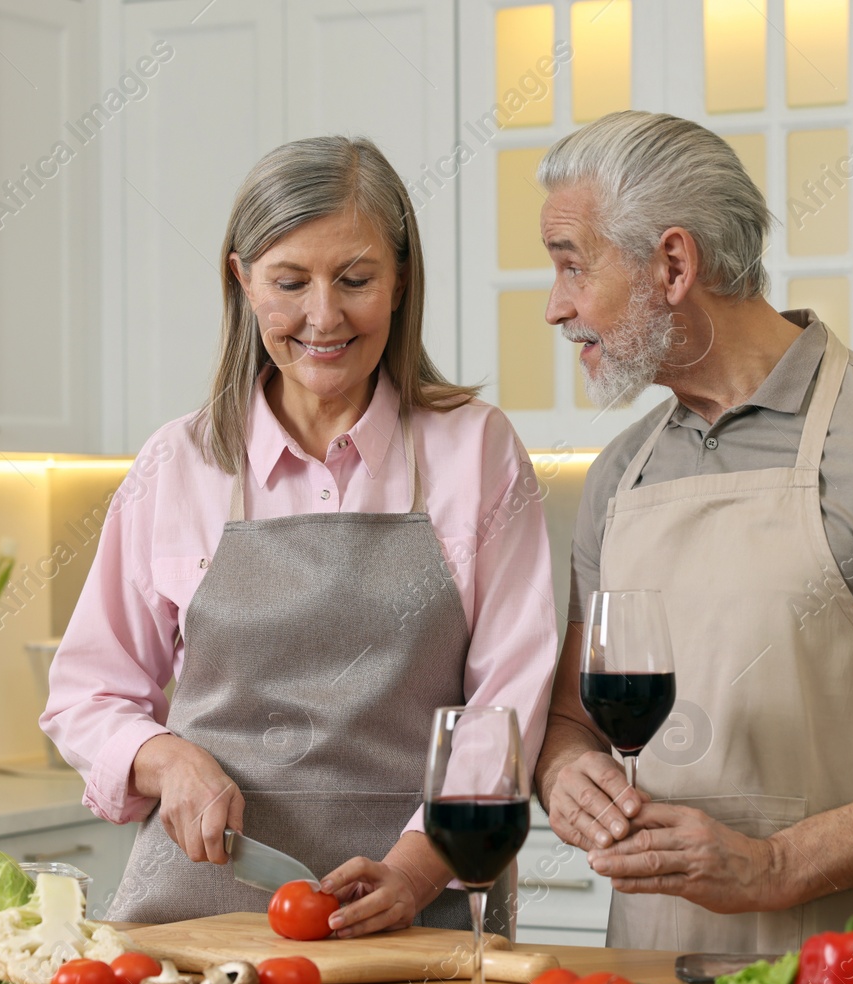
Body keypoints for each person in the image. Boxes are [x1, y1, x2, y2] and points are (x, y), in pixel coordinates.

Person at [531, 111, 853, 953]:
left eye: (571, 268)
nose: (557, 309)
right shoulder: (619, 476)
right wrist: (562, 774)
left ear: (672, 263)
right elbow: (571, 722)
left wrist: (774, 866)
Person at [44, 136, 557, 935]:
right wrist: (166, 760)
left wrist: (418, 871)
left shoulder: (477, 451)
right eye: (290, 282)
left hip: (419, 916)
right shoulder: (177, 464)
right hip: (194, 917)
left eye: (355, 280)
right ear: (241, 279)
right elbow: (87, 693)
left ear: (400, 281)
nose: (324, 317)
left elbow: (511, 701)